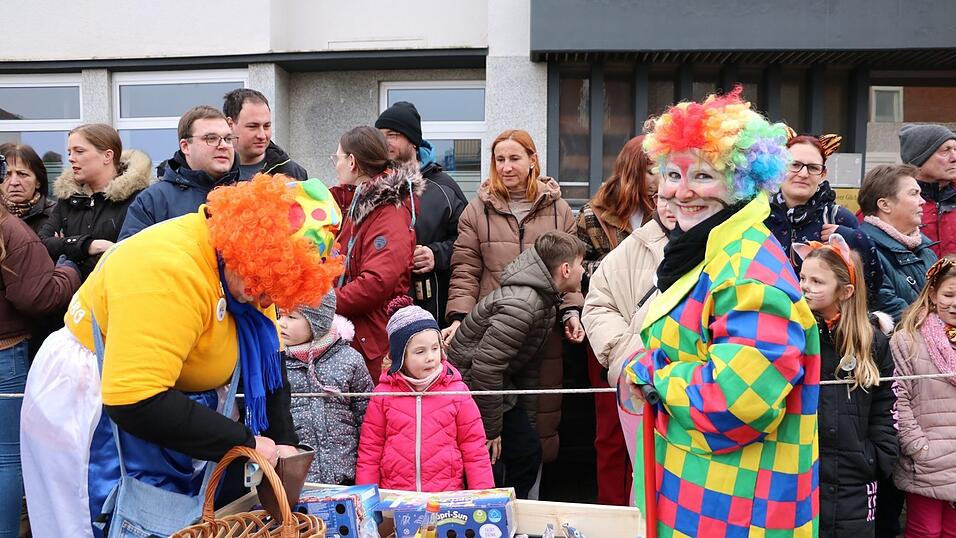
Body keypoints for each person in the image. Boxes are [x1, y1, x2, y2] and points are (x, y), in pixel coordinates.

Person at [19, 175, 344, 537]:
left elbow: (270, 361)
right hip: (96, 404)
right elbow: (133, 398)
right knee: (101, 524)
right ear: (247, 248)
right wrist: (245, 441)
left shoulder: (249, 270)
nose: (266, 301)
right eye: (264, 286)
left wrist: (283, 441)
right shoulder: (167, 270)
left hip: (172, 407)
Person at [623, 86, 820, 537]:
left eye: (704, 176)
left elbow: (739, 402)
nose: (682, 191)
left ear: (740, 183)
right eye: (673, 174)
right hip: (696, 496)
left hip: (736, 510)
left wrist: (652, 375)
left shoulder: (749, 270)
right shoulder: (707, 252)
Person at [444, 129, 583, 465]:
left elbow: (570, 268)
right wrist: (459, 318)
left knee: (540, 415)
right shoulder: (477, 210)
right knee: (491, 411)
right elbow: (465, 269)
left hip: (542, 330)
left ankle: (535, 489)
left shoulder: (559, 210)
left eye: (515, 158)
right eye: (499, 159)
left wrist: (572, 312)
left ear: (533, 160)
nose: (506, 167)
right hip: (494, 327)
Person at [447, 231, 585, 499]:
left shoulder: (543, 300)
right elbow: (486, 367)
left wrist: (527, 422)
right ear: (565, 269)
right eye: (581, 264)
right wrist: (491, 430)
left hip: (495, 385)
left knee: (527, 451)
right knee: (520, 457)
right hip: (472, 384)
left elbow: (526, 368)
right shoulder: (524, 305)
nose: (583, 271)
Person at [794, 236, 898, 537]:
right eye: (802, 277)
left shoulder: (872, 342)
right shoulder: (795, 336)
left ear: (845, 291)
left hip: (856, 477)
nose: (805, 286)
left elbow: (886, 404)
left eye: (817, 281)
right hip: (804, 472)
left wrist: (878, 456)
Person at [0, 154, 81, 538]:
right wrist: (69, 271)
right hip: (6, 352)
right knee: (7, 459)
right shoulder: (8, 228)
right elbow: (36, 296)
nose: (13, 181)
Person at [575, 135, 656, 506]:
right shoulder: (594, 214)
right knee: (610, 431)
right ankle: (611, 510)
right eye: (652, 167)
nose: (659, 177)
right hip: (607, 329)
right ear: (633, 170)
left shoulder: (673, 211)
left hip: (654, 331)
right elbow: (575, 268)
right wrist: (620, 268)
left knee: (652, 429)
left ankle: (644, 508)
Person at [582, 191, 677, 503]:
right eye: (664, 196)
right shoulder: (634, 245)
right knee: (644, 483)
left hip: (695, 391)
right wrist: (629, 356)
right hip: (638, 385)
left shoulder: (728, 247)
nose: (673, 205)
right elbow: (597, 305)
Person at [356, 296, 494, 492]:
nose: (430, 357)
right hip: (396, 497)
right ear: (400, 357)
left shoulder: (457, 392)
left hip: (446, 497)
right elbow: (370, 452)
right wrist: (366, 501)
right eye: (419, 351)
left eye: (435, 348)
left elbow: (475, 450)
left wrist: (484, 497)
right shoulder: (383, 395)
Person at [330, 126, 422, 380]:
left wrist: (324, 302)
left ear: (352, 162)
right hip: (360, 333)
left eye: (336, 158)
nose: (335, 165)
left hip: (372, 338)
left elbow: (377, 282)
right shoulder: (362, 202)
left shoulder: (387, 210)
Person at [376, 101, 468, 326]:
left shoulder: (444, 188)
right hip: (380, 314)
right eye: (380, 135)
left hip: (429, 312)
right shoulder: (373, 186)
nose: (385, 142)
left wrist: (435, 255)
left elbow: (469, 243)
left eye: (393, 134)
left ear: (413, 141)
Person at [766, 131, 883, 301]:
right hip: (769, 319)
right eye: (794, 164)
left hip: (826, 324)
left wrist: (855, 239)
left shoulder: (838, 218)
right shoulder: (759, 217)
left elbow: (872, 285)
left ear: (823, 174)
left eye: (813, 168)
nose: (803, 174)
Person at [890, 256, 956, 538]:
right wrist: (918, 448)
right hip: (927, 459)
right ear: (932, 294)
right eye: (949, 294)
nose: (955, 303)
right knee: (925, 531)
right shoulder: (908, 340)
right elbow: (899, 399)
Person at [280, 290, 373, 485]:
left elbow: (367, 418)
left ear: (317, 322)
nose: (282, 323)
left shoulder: (350, 359)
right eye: (280, 315)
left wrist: (366, 474)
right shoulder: (275, 365)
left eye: (292, 316)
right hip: (298, 480)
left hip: (346, 474)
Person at [37, 124, 152, 279]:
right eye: (69, 152)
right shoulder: (68, 199)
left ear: (107, 156)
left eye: (79, 151)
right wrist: (89, 246)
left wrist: (65, 249)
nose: (71, 158)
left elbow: (133, 256)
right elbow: (42, 245)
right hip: (73, 298)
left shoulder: (139, 199)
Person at [118, 106, 241, 239]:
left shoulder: (249, 194)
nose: (223, 145)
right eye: (211, 138)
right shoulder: (153, 200)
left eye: (228, 139)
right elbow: (130, 255)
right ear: (185, 146)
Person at [858, 164, 938, 322]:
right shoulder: (864, 251)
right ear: (885, 205)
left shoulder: (927, 252)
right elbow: (892, 310)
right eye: (914, 194)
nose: (922, 201)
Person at [223, 88, 307, 181]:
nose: (262, 136)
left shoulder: (292, 173)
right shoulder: (213, 171)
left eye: (267, 126)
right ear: (230, 125)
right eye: (253, 126)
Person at [898, 124, 956, 257]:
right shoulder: (890, 202)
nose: (954, 157)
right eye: (945, 150)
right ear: (919, 160)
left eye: (955, 149)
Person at [0, 143, 56, 234]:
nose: (14, 182)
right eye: (7, 174)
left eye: (22, 174)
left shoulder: (56, 215)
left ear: (38, 181)